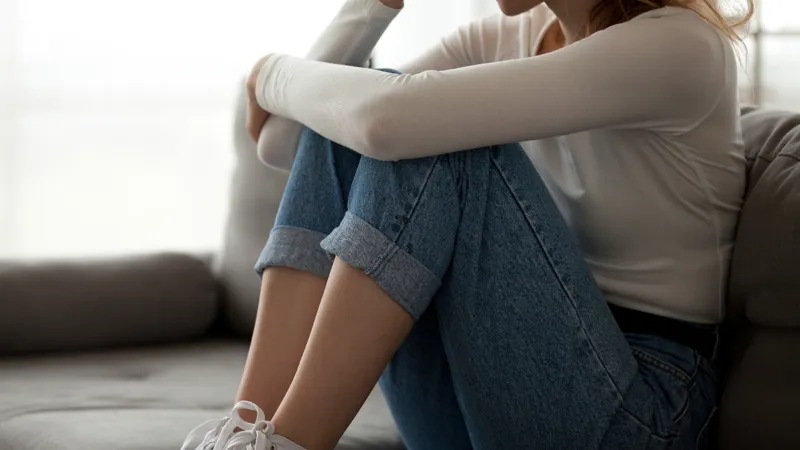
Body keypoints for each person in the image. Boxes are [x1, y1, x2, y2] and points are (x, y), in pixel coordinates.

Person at [182, 0, 754, 448]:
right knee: (353, 124)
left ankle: (293, 442)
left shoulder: (681, 46)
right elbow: (287, 141)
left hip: (639, 407)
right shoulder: (496, 39)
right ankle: (247, 432)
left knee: (432, 138)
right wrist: (372, 6)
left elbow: (388, 120)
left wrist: (271, 71)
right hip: (482, 376)